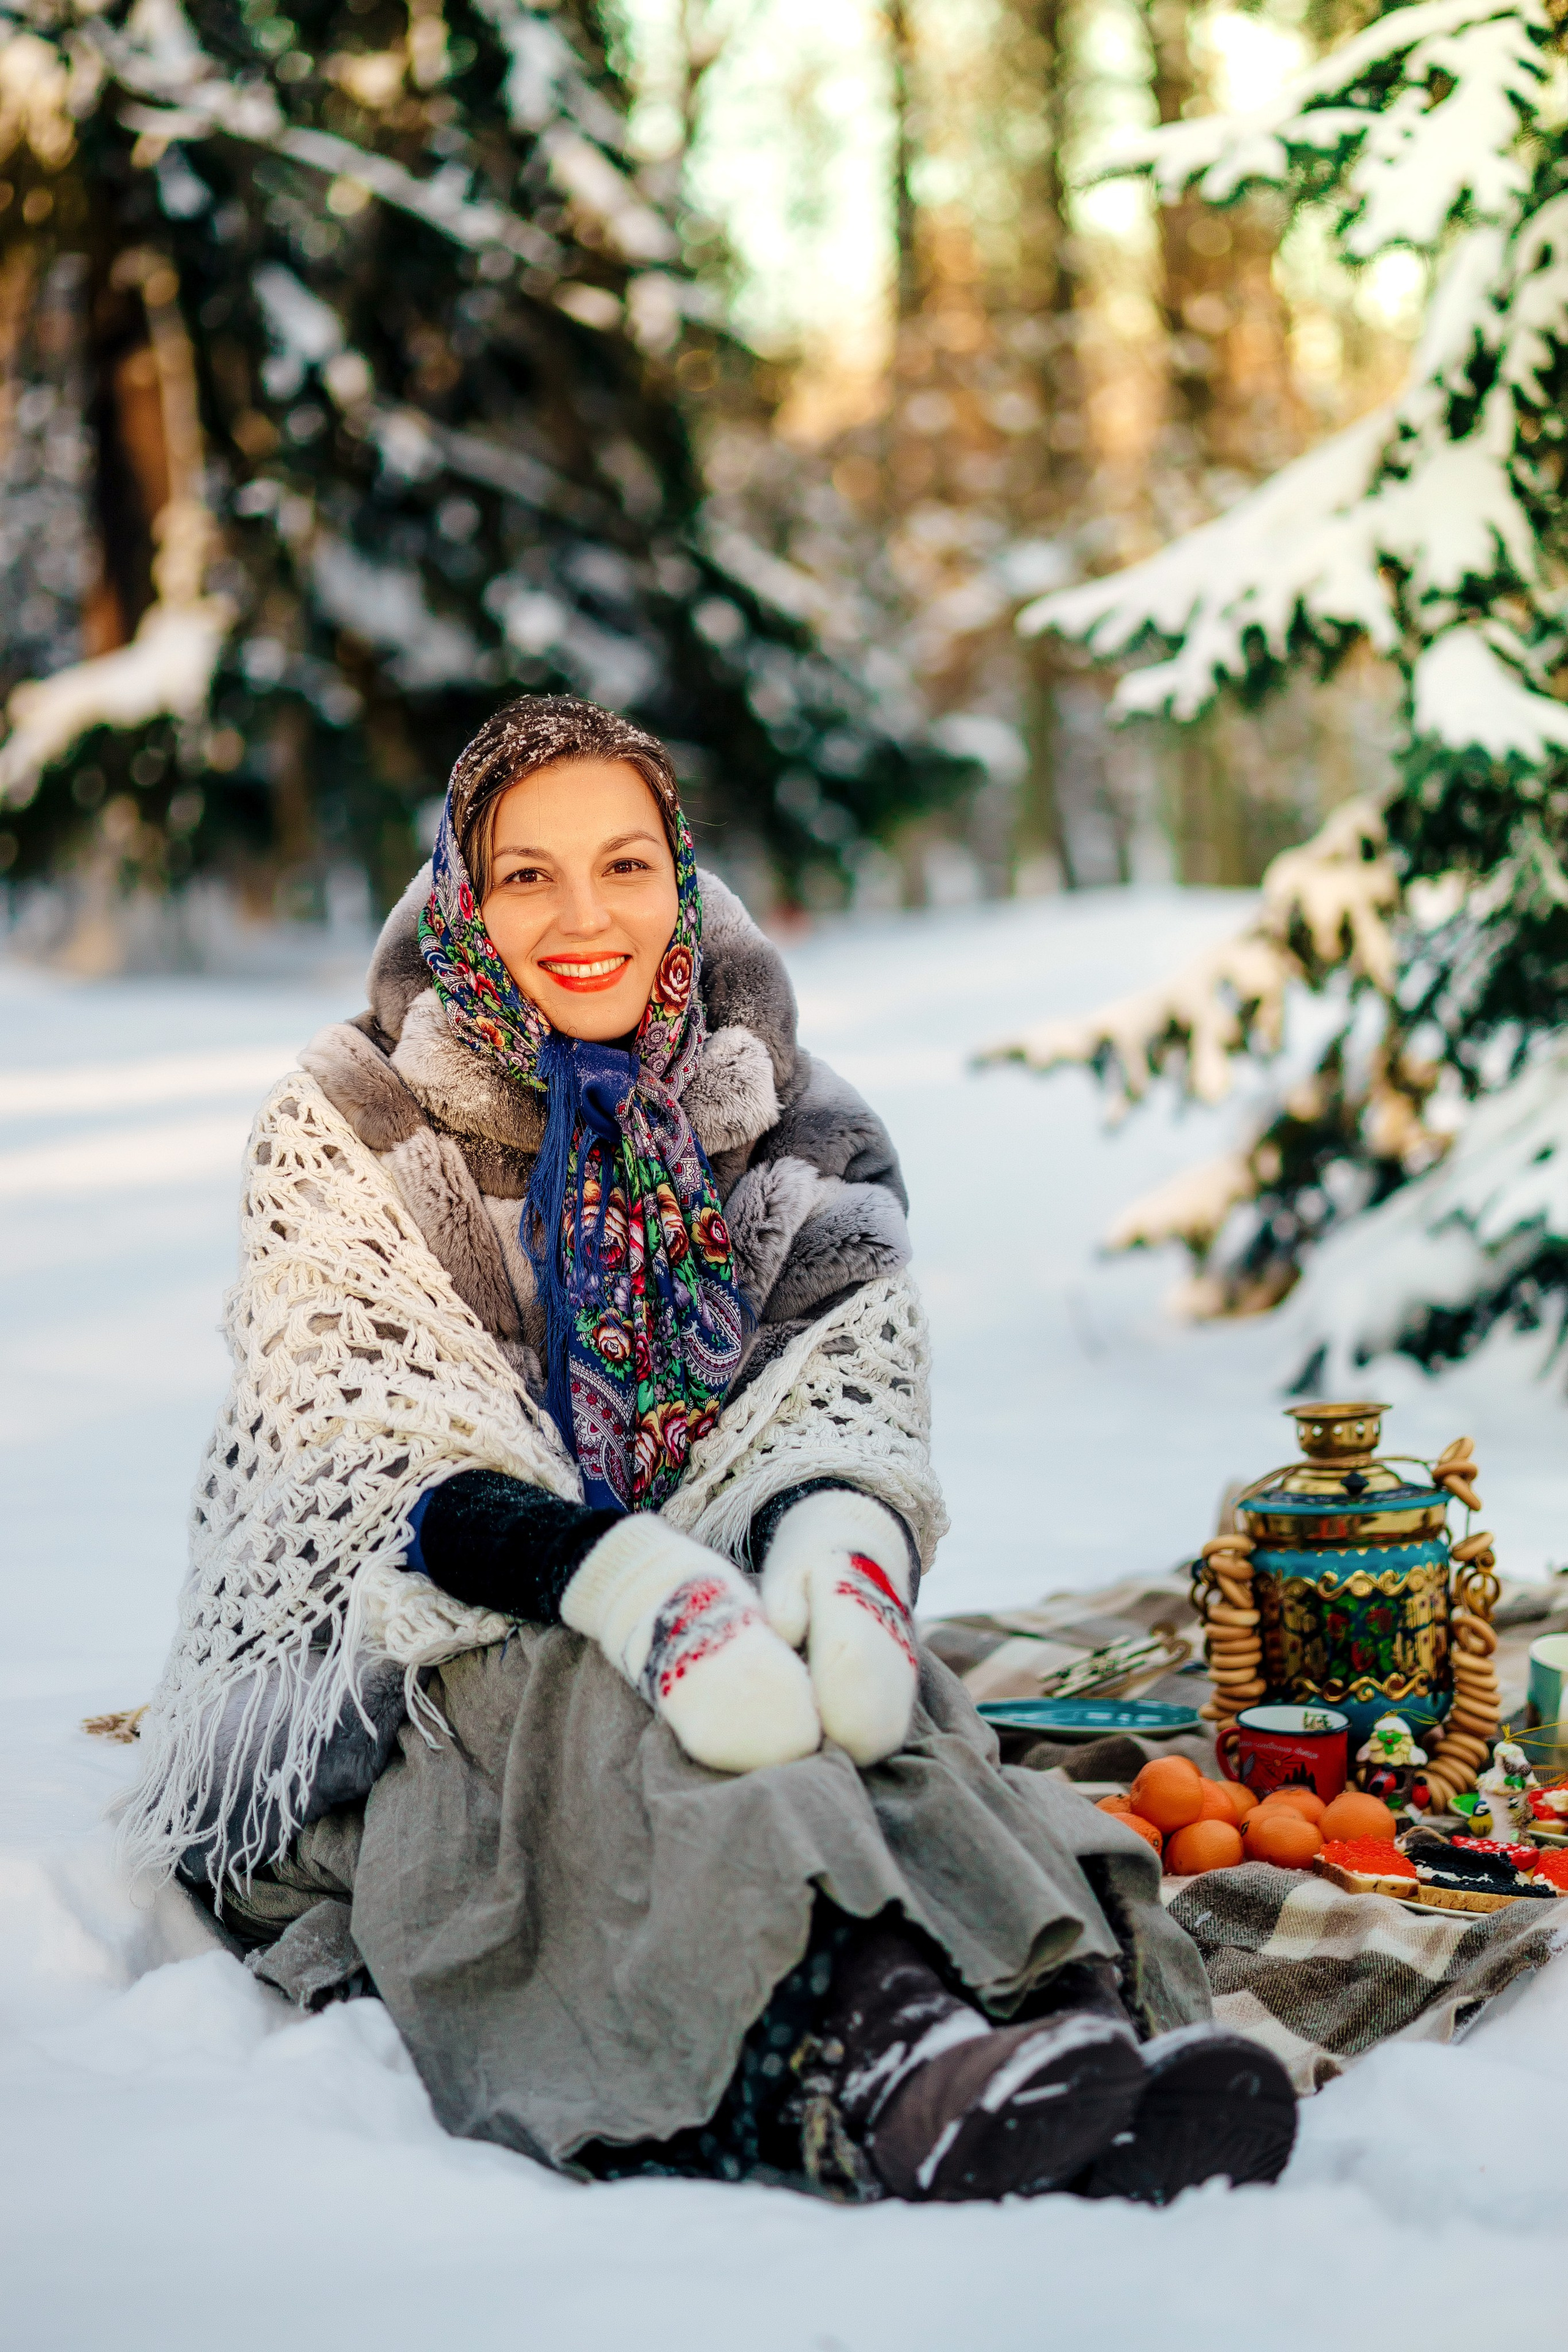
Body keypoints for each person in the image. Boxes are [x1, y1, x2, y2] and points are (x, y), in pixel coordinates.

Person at [123, 694, 1295, 2203]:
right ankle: (876, 2065)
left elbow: (839, 1386)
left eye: (623, 865)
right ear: (464, 895)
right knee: (588, 1709)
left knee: (880, 1713)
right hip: (411, 1660)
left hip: (715, 1602)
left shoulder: (781, 1110)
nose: (583, 917)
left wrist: (836, 1551)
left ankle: (1071, 2036)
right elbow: (367, 1463)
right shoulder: (352, 1119)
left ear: (676, 875)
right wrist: (624, 1582)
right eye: (528, 875)